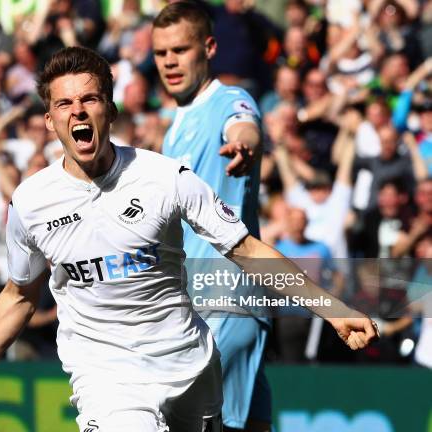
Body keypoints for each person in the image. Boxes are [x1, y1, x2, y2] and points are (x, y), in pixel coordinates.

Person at [0, 47, 378, 431]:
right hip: (106, 377)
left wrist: (332, 309)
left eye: (89, 99)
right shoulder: (31, 201)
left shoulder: (165, 177)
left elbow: (247, 251)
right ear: (50, 121)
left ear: (109, 109)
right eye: (65, 104)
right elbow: (18, 295)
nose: (78, 112)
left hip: (188, 367)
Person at [152, 3, 270, 430]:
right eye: (161, 53)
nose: (170, 61)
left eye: (180, 50)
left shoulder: (229, 100)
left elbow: (244, 126)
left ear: (209, 47)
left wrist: (244, 145)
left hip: (226, 294)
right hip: (198, 298)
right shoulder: (175, 123)